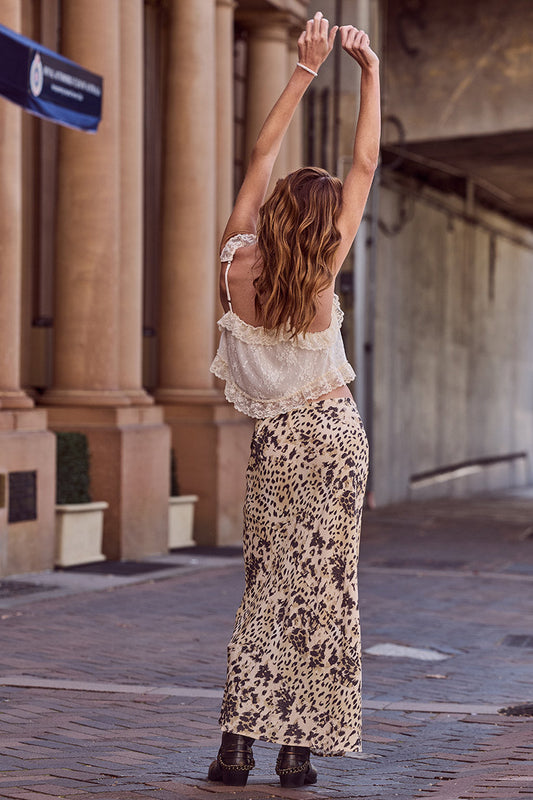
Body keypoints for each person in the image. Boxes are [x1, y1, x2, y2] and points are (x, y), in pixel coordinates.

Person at [208, 11, 380, 789]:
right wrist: (368, 72)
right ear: (321, 222)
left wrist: (305, 69)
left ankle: (235, 749)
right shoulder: (321, 265)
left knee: (266, 588)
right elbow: (366, 161)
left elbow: (259, 153)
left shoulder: (236, 260)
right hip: (334, 437)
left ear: (277, 208)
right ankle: (296, 753)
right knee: (322, 591)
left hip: (277, 442)